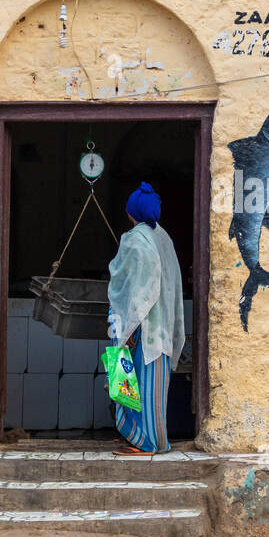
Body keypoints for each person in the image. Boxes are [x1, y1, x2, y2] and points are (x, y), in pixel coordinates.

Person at [106, 182, 185, 455]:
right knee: (151, 387)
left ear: (131, 212)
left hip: (138, 323)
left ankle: (146, 441)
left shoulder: (134, 240)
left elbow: (131, 285)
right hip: (161, 325)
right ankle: (144, 437)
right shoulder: (164, 239)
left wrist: (129, 326)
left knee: (129, 380)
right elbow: (170, 284)